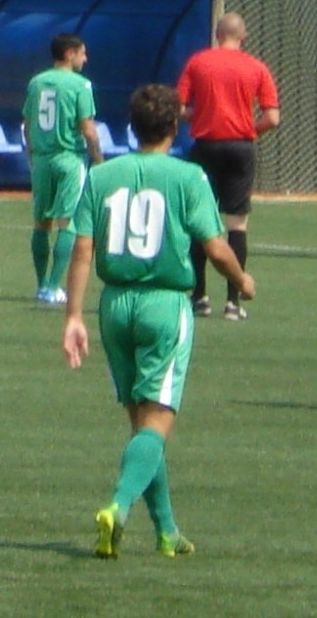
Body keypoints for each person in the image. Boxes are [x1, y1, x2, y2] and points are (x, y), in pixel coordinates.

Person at [59, 81, 250, 557]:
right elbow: (215, 244)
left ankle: (166, 531)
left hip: (114, 305)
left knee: (143, 424)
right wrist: (241, 281)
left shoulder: (101, 176)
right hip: (164, 304)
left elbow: (82, 247)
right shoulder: (188, 178)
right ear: (175, 127)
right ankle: (117, 508)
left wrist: (73, 316)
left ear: (131, 127)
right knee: (156, 423)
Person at [175, 12, 278, 319]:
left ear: (217, 34)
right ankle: (234, 302)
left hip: (205, 147)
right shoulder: (257, 67)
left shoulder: (198, 62)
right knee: (237, 224)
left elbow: (179, 107)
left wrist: (201, 116)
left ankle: (199, 297)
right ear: (242, 37)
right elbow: (273, 118)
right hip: (240, 148)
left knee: (199, 221)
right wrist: (247, 131)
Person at [21, 32, 100, 307]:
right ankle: (54, 287)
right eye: (82, 53)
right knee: (68, 222)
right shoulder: (81, 85)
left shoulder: (36, 82)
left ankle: (42, 283)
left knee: (41, 222)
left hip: (41, 160)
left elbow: (26, 123)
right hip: (69, 158)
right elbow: (88, 130)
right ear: (70, 53)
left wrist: (32, 155)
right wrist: (99, 161)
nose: (85, 58)